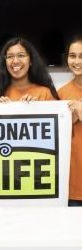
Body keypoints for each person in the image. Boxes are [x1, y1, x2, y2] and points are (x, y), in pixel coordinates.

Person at [0, 37, 59, 102]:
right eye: (10, 56)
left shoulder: (44, 93)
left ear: (31, 61)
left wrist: (35, 108)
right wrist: (0, 109)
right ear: (4, 62)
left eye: (21, 55)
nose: (15, 61)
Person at [57, 35, 82, 206]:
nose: (77, 61)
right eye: (72, 56)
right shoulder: (61, 93)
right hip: (72, 182)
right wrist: (68, 123)